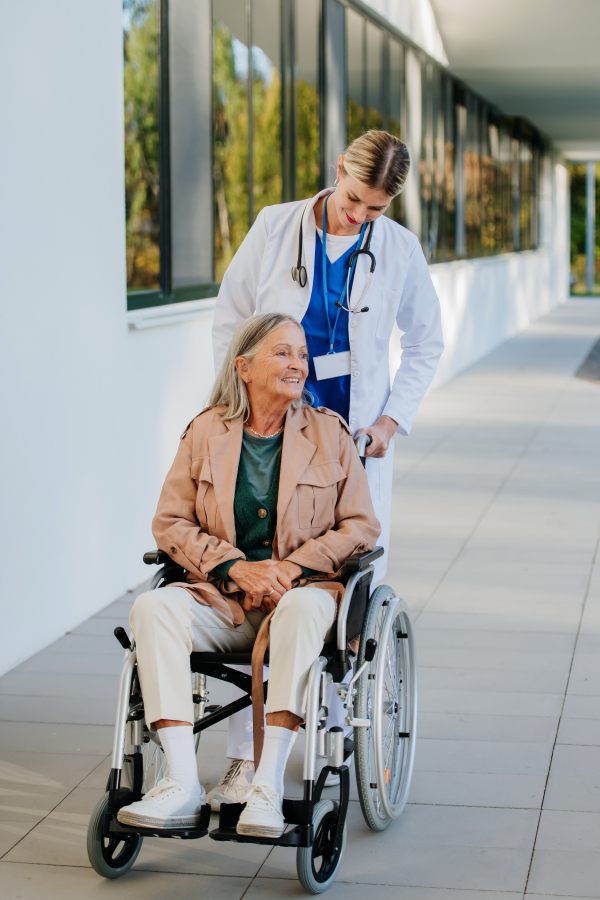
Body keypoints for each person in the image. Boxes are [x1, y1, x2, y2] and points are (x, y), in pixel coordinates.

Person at [209, 130, 444, 805]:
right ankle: (239, 756)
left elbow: (425, 341)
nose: (359, 217)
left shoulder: (397, 247)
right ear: (336, 170)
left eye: (374, 209)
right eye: (352, 200)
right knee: (256, 588)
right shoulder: (273, 226)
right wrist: (237, 405)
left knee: (339, 595)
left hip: (350, 449)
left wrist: (389, 423)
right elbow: (231, 321)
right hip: (269, 434)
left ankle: (331, 740)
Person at [117, 313, 380, 838]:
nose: (298, 364)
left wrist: (289, 567)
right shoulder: (205, 431)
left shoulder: (330, 433)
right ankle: (181, 783)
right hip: (224, 602)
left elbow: (361, 526)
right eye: (283, 353)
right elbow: (170, 522)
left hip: (299, 599)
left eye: (302, 355)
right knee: (152, 607)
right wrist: (234, 566)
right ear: (244, 366)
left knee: (306, 608)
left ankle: (266, 788)